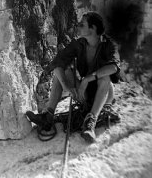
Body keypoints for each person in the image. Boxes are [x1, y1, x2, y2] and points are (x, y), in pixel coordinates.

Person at [26, 11, 121, 142]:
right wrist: (67, 87)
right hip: (84, 94)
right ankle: (48, 116)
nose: (78, 26)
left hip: (104, 95)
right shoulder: (79, 44)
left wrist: (87, 79)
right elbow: (58, 63)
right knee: (62, 70)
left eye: (82, 24)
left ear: (93, 28)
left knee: (105, 77)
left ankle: (90, 121)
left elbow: (114, 67)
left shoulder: (109, 44)